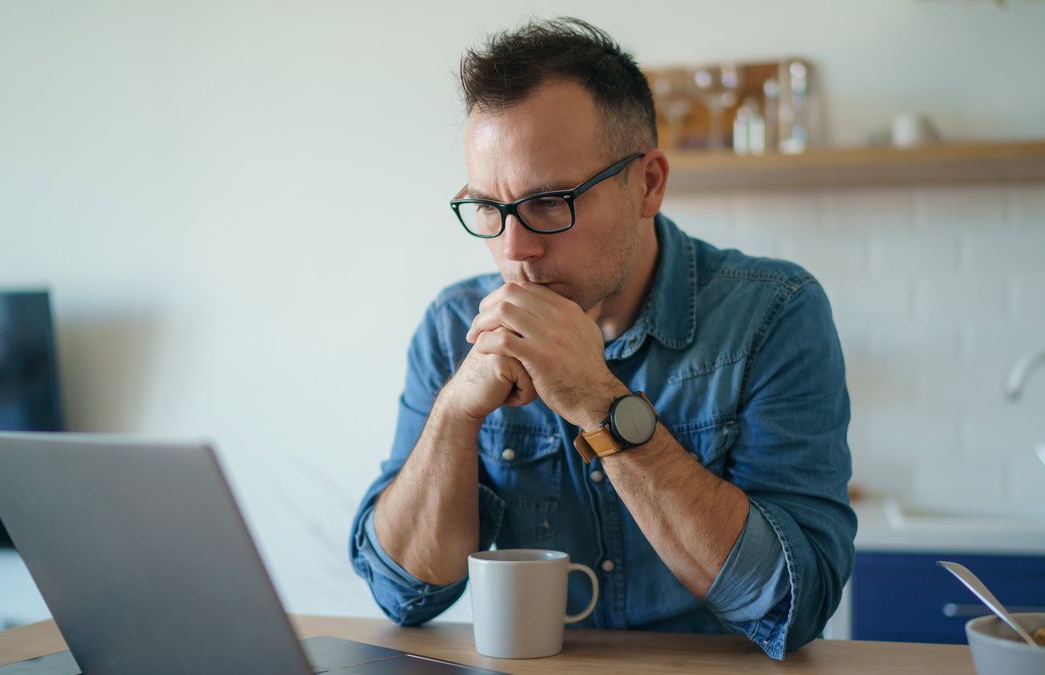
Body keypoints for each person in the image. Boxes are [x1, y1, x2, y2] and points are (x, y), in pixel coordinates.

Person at [349, 17, 855, 659]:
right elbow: (401, 595)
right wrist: (453, 417)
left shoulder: (775, 313)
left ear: (648, 184)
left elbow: (792, 601)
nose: (514, 250)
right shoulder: (455, 324)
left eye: (549, 202)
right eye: (489, 207)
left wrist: (598, 401)